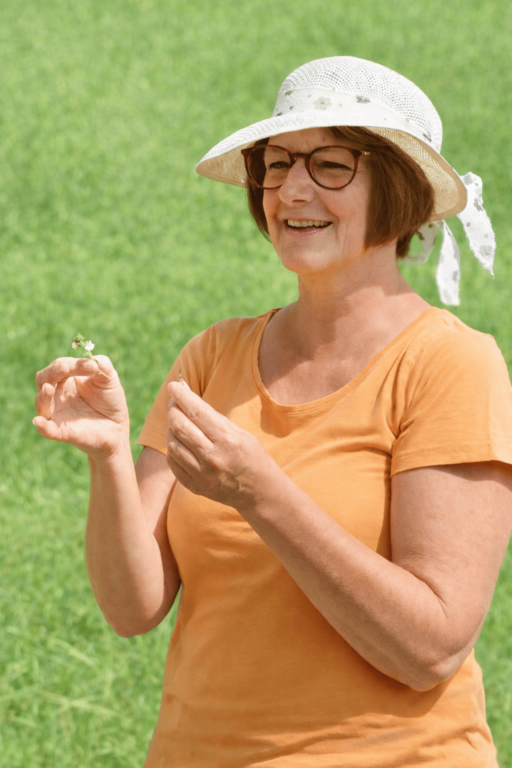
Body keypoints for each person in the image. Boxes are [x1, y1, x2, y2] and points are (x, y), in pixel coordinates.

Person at [33, 56, 512, 767]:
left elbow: (432, 649)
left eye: (330, 165)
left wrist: (262, 494)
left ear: (400, 186)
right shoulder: (213, 355)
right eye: (278, 163)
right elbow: (131, 609)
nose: (291, 189)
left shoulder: (450, 366)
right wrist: (107, 457)